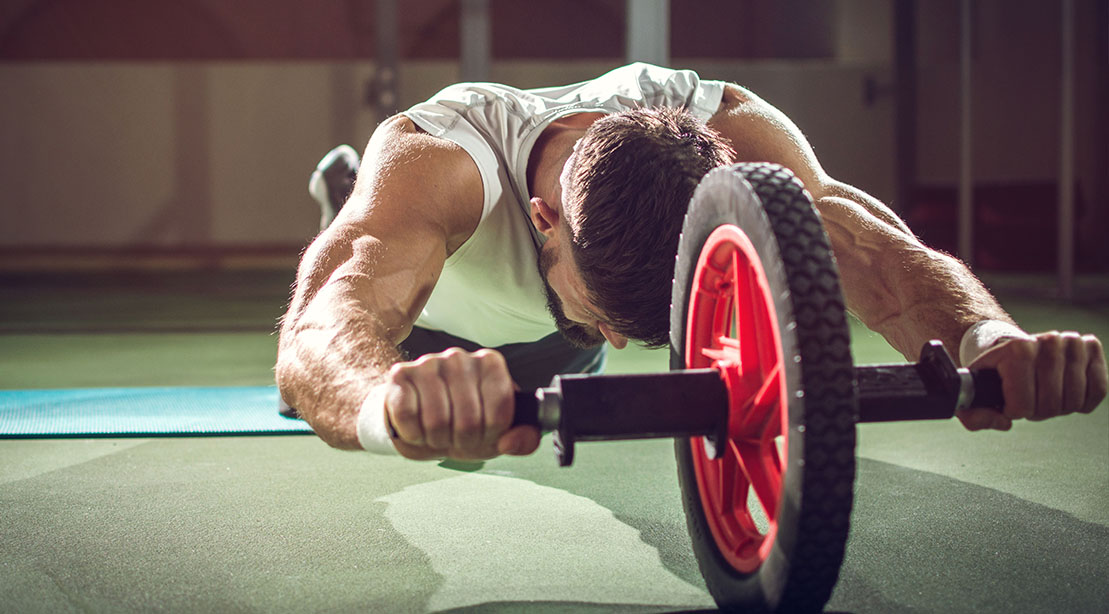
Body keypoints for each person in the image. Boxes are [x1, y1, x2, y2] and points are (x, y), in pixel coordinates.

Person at [275, 63, 1106, 461]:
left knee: (587, 350)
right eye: (611, 313)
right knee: (446, 436)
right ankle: (344, 187)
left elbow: (873, 253)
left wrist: (986, 341)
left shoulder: (730, 132)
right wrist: (385, 397)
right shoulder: (446, 160)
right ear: (543, 222)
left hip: (559, 337)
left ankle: (579, 325)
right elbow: (322, 329)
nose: (632, 344)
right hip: (436, 325)